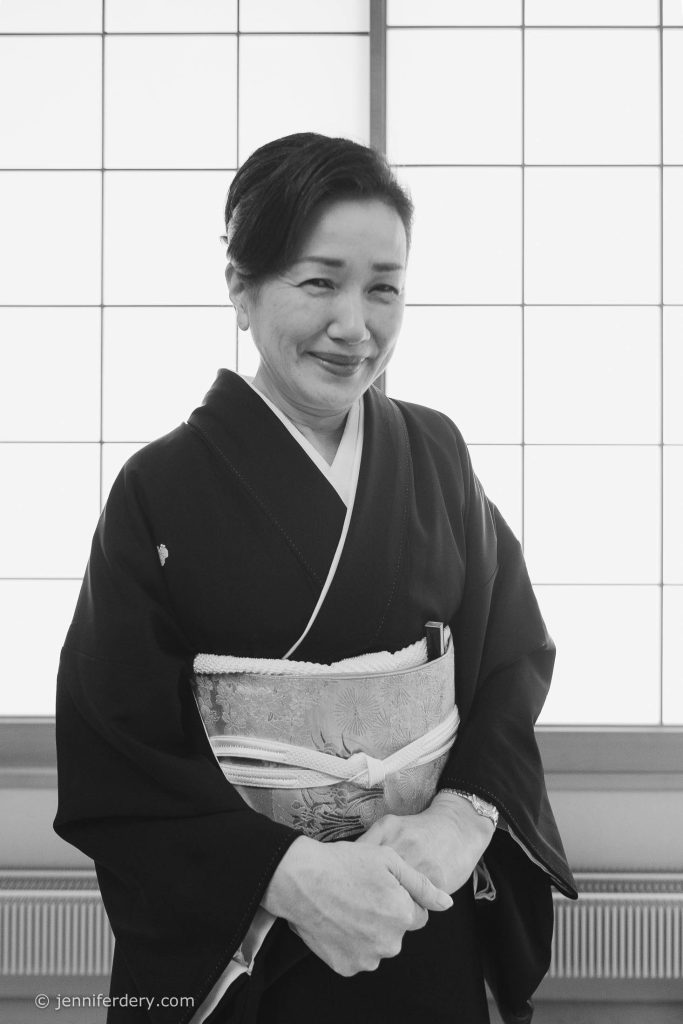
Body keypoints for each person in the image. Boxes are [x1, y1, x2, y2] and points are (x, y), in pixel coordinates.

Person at [54, 132, 577, 1024]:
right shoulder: (159, 490)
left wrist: (458, 820)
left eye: (384, 288)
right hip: (254, 937)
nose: (354, 325)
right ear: (241, 287)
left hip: (418, 907)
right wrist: (289, 876)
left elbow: (509, 658)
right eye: (319, 282)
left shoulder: (436, 454)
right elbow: (115, 746)